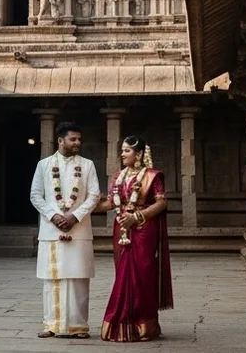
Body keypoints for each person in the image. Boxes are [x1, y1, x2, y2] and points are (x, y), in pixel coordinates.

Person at [28, 121, 102, 338]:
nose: (77, 142)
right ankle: (51, 324)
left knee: (79, 278)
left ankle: (79, 326)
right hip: (51, 231)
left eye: (79, 139)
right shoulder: (44, 165)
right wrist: (54, 216)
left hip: (79, 230)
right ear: (60, 140)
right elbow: (35, 195)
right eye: (73, 139)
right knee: (52, 279)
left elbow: (94, 195)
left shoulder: (87, 165)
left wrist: (74, 216)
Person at [97, 135, 173, 342]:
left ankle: (144, 323)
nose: (122, 154)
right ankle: (123, 320)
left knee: (143, 273)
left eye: (126, 150)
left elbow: (161, 203)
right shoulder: (118, 176)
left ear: (138, 154)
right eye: (122, 150)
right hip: (121, 228)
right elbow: (111, 204)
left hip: (143, 227)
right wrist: (88, 204)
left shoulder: (152, 176)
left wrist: (137, 216)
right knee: (122, 273)